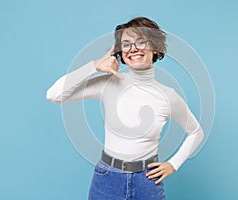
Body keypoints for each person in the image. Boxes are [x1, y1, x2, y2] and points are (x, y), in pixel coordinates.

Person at [46, 17, 204, 200]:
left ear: (155, 48)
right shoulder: (108, 84)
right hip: (106, 181)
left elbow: (196, 132)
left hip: (147, 182)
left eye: (141, 42)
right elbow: (54, 95)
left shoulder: (168, 96)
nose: (133, 48)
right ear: (121, 53)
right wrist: (93, 66)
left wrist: (173, 164)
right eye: (126, 44)